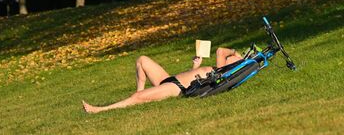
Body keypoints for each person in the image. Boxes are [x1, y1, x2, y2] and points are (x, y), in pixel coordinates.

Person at [82, 47, 243, 114]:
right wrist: (195, 66)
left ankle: (98, 110)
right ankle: (141, 92)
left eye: (232, 58)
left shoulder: (222, 71)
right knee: (142, 60)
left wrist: (235, 53)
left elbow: (221, 51)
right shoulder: (217, 70)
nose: (229, 57)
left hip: (175, 87)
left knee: (136, 98)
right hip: (169, 78)